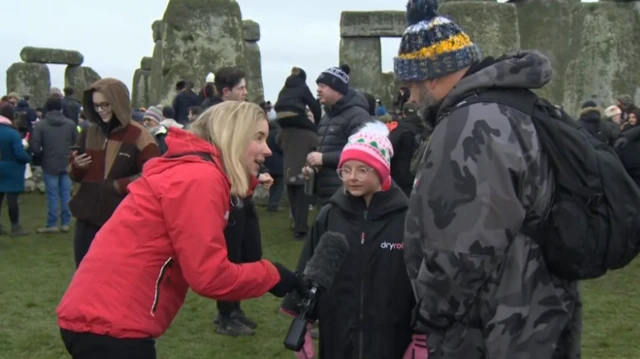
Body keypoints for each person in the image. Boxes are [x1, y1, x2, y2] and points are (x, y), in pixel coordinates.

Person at [395, 0, 581, 357]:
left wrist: (430, 314)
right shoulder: (511, 108)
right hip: (536, 308)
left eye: (411, 84)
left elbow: (461, 250)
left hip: (496, 325)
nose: (412, 96)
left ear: (432, 75)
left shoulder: (471, 127)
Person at [56, 101, 303, 359]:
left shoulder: (193, 171)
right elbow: (210, 276)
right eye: (259, 138)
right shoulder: (200, 179)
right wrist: (273, 275)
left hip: (101, 315)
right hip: (111, 325)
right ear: (233, 136)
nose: (268, 149)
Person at [282, 121, 415, 359]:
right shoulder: (331, 215)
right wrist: (304, 326)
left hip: (392, 337)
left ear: (382, 170)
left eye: (363, 170)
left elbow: (421, 282)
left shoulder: (407, 218)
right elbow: (308, 271)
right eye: (346, 169)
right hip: (337, 334)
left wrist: (421, 337)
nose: (352, 177)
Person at [69, 78, 160, 267]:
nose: (100, 110)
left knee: (114, 277)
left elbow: (153, 176)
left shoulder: (140, 136)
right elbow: (73, 173)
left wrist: (117, 186)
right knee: (83, 274)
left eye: (105, 104)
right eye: (96, 106)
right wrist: (77, 166)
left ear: (118, 102)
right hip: (87, 216)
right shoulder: (89, 132)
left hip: (121, 218)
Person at [30, 98, 78, 233]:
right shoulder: (70, 124)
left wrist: (39, 155)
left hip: (49, 162)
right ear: (61, 108)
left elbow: (35, 145)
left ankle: (52, 224)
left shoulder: (41, 125)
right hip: (67, 162)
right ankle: (66, 223)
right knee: (65, 194)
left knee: (52, 195)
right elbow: (77, 143)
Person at [0, 105, 30, 236]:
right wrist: (27, 157)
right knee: (12, 200)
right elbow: (19, 153)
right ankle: (15, 226)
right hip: (12, 169)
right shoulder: (12, 133)